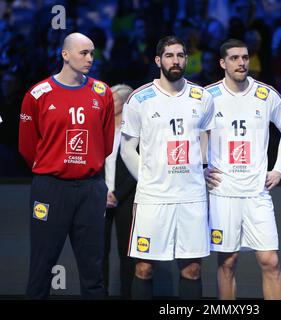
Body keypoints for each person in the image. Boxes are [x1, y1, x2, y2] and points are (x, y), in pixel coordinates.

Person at [19, 32, 115, 299]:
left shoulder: (102, 92)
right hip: (51, 187)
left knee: (93, 271)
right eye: (84, 53)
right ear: (65, 54)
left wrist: (85, 165)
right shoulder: (38, 94)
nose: (90, 58)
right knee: (41, 268)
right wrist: (54, 166)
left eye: (92, 53)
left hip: (91, 187)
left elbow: (105, 144)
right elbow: (27, 147)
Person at [120, 35, 215, 299]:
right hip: (153, 197)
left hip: (191, 197)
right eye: (170, 55)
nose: (176, 60)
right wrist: (146, 178)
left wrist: (205, 165)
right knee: (144, 268)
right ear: (158, 60)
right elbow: (127, 147)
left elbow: (206, 134)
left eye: (180, 55)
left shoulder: (202, 96)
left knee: (193, 269)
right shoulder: (140, 98)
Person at [204, 39, 281, 300]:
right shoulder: (208, 96)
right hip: (223, 192)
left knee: (270, 261)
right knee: (228, 262)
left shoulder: (266, 95)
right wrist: (201, 168)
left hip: (257, 192)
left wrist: (278, 169)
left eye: (244, 57)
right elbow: (192, 133)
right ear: (223, 63)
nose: (241, 63)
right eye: (234, 58)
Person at [103, 84, 136, 299]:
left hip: (125, 198)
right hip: (100, 198)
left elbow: (138, 168)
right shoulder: (100, 128)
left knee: (126, 253)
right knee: (99, 253)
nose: (108, 103)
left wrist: (118, 194)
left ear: (123, 104)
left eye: (112, 99)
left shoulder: (133, 131)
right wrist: (103, 192)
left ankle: (127, 295)